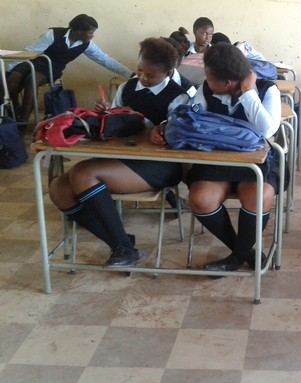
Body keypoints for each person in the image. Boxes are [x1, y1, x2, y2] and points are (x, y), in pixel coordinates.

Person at [48, 38, 189, 268]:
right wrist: (108, 114)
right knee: (59, 189)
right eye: (140, 70)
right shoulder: (127, 87)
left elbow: (177, 137)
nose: (143, 78)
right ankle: (120, 240)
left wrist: (154, 128)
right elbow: (113, 122)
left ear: (168, 72)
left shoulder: (178, 96)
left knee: (83, 173)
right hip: (122, 156)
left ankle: (122, 247)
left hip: (160, 164)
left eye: (151, 75)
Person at [187, 43, 283, 273]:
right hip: (218, 162)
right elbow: (190, 115)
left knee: (258, 196)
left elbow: (268, 129)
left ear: (227, 83)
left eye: (210, 79)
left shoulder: (267, 89)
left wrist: (249, 94)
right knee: (200, 199)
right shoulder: (207, 90)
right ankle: (244, 253)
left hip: (256, 164)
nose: (207, 83)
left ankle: (235, 258)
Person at [5, 14, 132, 123]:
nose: (92, 36)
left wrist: (129, 74)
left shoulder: (86, 45)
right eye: (91, 32)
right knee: (12, 78)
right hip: (33, 61)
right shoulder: (52, 34)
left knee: (32, 80)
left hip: (50, 69)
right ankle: (14, 110)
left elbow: (105, 60)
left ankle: (22, 122)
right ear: (79, 31)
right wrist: (12, 67)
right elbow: (29, 52)